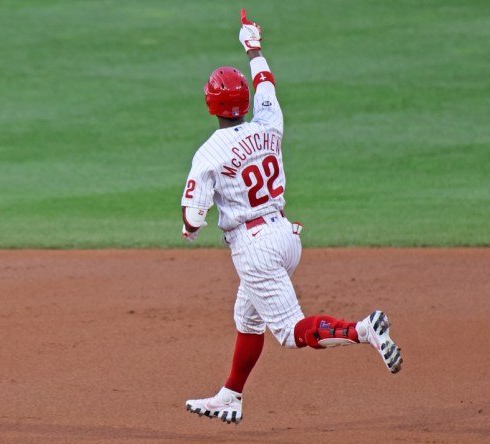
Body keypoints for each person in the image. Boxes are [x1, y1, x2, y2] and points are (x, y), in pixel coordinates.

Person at [180, 9, 402, 425]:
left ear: (211, 104)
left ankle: (363, 330)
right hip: (285, 235)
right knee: (247, 318)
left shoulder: (209, 150)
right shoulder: (269, 123)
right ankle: (231, 395)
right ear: (242, 102)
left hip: (254, 248)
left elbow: (193, 213)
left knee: (292, 332)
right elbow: (266, 84)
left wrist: (191, 227)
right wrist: (254, 48)